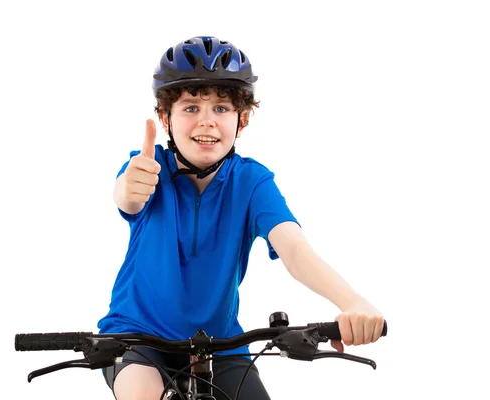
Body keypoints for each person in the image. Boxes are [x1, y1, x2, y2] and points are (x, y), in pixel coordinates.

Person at [97, 36, 385, 400]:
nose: (207, 122)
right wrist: (129, 187)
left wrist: (352, 303)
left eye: (221, 108)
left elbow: (295, 250)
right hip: (137, 337)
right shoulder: (148, 170)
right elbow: (128, 196)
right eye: (190, 108)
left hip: (221, 344)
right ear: (165, 117)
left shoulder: (252, 182)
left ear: (242, 119)